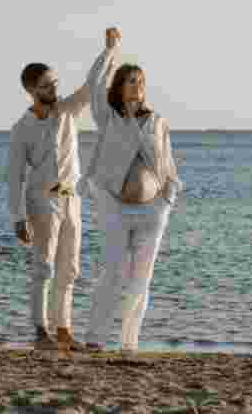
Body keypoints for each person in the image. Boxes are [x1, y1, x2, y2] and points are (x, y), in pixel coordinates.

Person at [8, 29, 119, 351]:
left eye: (55, 83)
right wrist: (18, 217)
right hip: (42, 201)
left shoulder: (68, 109)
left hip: (72, 198)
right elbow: (14, 176)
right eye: (46, 86)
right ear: (31, 90)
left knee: (70, 269)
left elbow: (92, 84)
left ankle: (63, 330)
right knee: (43, 266)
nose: (53, 89)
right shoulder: (21, 129)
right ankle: (40, 332)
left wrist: (109, 50)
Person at [79, 27, 184, 353]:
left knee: (141, 279)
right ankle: (95, 338)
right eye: (130, 81)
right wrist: (110, 50)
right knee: (112, 272)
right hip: (115, 207)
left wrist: (168, 198)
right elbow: (94, 82)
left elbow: (168, 165)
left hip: (153, 211)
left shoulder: (158, 121)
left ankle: (129, 342)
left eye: (141, 81)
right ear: (119, 87)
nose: (137, 86)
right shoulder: (108, 117)